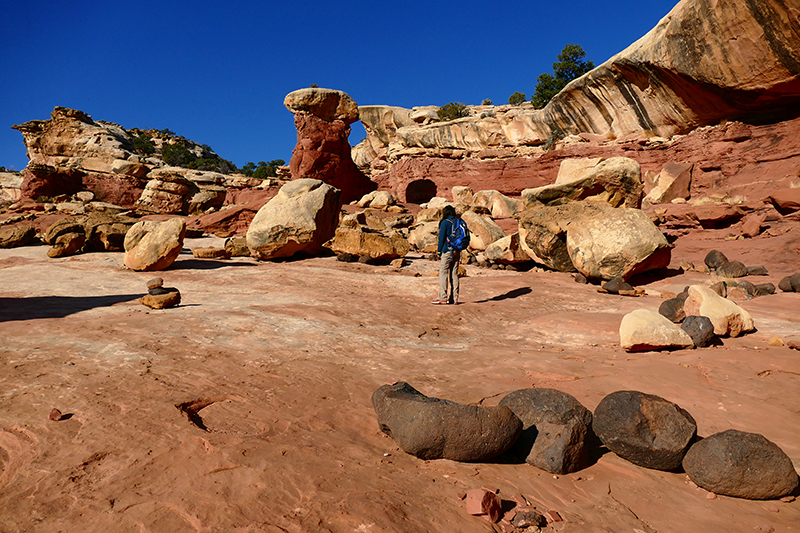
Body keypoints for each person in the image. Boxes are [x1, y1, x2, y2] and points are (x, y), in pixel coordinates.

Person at [432, 205, 467, 305]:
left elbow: (441, 238)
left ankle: (442, 297)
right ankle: (454, 298)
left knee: (443, 273)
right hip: (457, 250)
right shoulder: (458, 221)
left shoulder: (445, 222)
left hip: (447, 250)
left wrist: (439, 252)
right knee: (454, 274)